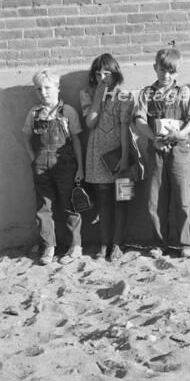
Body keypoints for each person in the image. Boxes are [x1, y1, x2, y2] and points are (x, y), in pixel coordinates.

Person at [133, 47, 190, 258]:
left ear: (177, 73)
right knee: (155, 199)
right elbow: (139, 120)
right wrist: (153, 139)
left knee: (182, 197)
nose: (166, 75)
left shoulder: (184, 92)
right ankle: (158, 242)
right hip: (156, 150)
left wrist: (180, 134)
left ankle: (185, 242)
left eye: (171, 72)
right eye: (162, 70)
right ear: (155, 68)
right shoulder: (146, 93)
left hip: (179, 149)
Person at [22, 70, 85, 265]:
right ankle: (48, 246)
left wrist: (80, 167)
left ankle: (75, 246)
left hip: (65, 164)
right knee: (43, 207)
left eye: (47, 88)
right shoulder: (34, 113)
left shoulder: (67, 112)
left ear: (57, 88)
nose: (43, 92)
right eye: (39, 89)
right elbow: (26, 137)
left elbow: (76, 140)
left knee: (70, 205)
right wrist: (34, 158)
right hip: (41, 166)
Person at [80, 54, 134, 262]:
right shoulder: (87, 94)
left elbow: (124, 128)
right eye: (98, 72)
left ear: (115, 74)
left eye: (107, 73)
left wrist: (124, 157)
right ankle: (104, 242)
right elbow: (90, 123)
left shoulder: (124, 96)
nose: (102, 77)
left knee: (122, 199)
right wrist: (97, 99)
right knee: (103, 201)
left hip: (120, 155)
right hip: (97, 156)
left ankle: (118, 243)